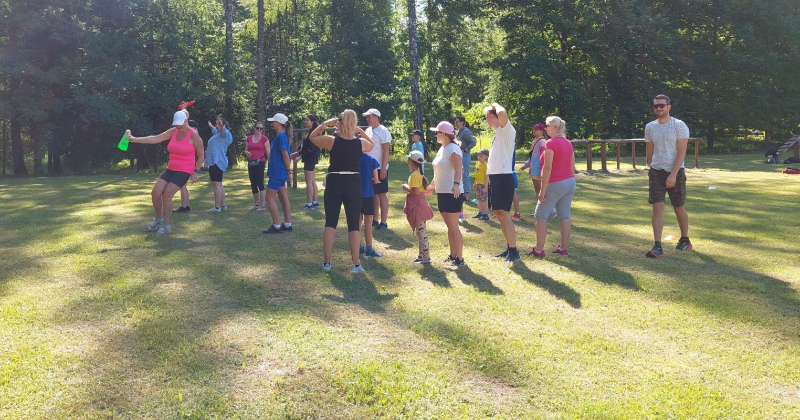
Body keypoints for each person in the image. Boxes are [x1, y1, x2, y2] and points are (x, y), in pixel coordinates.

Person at [308, 110, 375, 273]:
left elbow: (312, 137)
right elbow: (371, 145)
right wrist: (359, 131)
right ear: (354, 123)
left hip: (334, 181)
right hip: (352, 182)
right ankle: (356, 264)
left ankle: (327, 263)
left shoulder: (332, 141)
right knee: (354, 225)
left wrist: (325, 124)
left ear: (339, 122)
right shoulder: (360, 143)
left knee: (331, 223)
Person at [125, 110, 204, 235]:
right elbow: (155, 139)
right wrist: (133, 139)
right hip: (171, 167)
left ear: (186, 121)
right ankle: (158, 220)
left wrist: (196, 172)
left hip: (185, 169)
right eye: (176, 124)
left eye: (180, 124)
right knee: (155, 192)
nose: (178, 126)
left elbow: (201, 155)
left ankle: (166, 226)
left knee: (167, 195)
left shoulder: (194, 135)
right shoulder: (173, 131)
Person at [645, 94, 692, 257]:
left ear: (668, 107)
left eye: (661, 106)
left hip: (676, 171)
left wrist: (672, 174)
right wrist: (651, 164)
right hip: (656, 171)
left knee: (678, 206)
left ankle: (685, 240)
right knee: (657, 207)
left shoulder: (679, 125)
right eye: (655, 106)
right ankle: (657, 245)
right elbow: (649, 149)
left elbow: (682, 152)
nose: (658, 108)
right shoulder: (650, 127)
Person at [528, 116, 576, 258]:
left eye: (547, 125)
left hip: (555, 183)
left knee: (540, 215)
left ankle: (539, 249)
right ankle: (564, 248)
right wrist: (570, 180)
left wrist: (542, 190)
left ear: (554, 128)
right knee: (564, 215)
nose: (545, 128)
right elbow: (572, 166)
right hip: (569, 182)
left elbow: (547, 168)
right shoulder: (568, 143)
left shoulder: (550, 143)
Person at [425, 121, 466, 267]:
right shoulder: (443, 148)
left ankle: (459, 258)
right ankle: (453, 254)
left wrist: (456, 184)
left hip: (452, 192)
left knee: (453, 226)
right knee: (449, 226)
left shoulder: (453, 149)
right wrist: (432, 185)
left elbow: (458, 168)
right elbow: (439, 171)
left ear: (444, 134)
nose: (435, 134)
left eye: (437, 132)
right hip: (442, 192)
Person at [485, 102, 520, 262]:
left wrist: (495, 104)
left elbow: (503, 113)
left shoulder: (507, 130)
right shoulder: (496, 134)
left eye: (487, 117)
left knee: (505, 214)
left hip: (504, 177)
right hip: (495, 177)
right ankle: (508, 247)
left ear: (493, 116)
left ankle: (514, 251)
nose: (486, 121)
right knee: (498, 214)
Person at [262, 113, 293, 234]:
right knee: (283, 197)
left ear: (279, 123)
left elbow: (285, 154)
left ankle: (276, 225)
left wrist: (288, 170)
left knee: (269, 198)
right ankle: (287, 224)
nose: (272, 123)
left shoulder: (281, 137)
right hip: (279, 172)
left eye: (274, 121)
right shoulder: (282, 136)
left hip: (277, 172)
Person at [402, 150, 433, 264]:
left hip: (418, 206)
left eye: (408, 159)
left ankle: (426, 257)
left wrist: (406, 187)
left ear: (411, 161)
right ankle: (421, 255)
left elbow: (415, 192)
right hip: (420, 205)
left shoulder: (414, 175)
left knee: (422, 233)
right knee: (421, 232)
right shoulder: (418, 173)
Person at [363, 108, 392, 230]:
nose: (367, 119)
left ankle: (383, 222)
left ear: (376, 117)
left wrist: (384, 168)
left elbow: (386, 151)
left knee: (381, 194)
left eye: (369, 116)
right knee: (373, 194)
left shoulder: (383, 131)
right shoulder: (368, 130)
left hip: (380, 168)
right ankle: (374, 219)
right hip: (369, 168)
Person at [292, 114, 321, 209]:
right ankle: (315, 202)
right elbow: (306, 147)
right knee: (312, 181)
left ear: (312, 121)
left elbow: (311, 149)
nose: (305, 121)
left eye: (307, 120)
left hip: (310, 158)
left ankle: (309, 204)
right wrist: (297, 152)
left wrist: (300, 157)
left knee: (308, 182)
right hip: (310, 158)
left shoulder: (313, 133)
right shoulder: (310, 132)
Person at [205, 116, 233, 212]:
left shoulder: (224, 134)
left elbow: (224, 131)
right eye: (216, 124)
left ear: (223, 125)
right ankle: (223, 205)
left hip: (217, 162)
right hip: (215, 162)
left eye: (219, 124)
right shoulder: (217, 133)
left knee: (216, 185)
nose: (217, 125)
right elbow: (214, 129)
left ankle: (217, 207)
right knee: (219, 185)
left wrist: (222, 125)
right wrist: (210, 124)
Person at [359, 153, 384, 258]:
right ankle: (369, 249)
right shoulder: (371, 159)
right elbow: (376, 180)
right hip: (368, 194)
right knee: (368, 222)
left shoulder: (351, 158)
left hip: (354, 194)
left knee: (357, 221)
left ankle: (358, 245)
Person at [244, 121, 269, 211]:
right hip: (251, 163)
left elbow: (268, 152)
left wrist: (270, 163)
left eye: (261, 128)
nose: (259, 130)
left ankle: (263, 205)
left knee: (260, 183)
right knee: (253, 183)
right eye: (257, 128)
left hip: (260, 162)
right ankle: (256, 204)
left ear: (262, 130)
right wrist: (246, 152)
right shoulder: (249, 138)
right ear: (254, 128)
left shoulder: (264, 139)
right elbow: (246, 150)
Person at [176, 118, 199, 213]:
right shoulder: (195, 135)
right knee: (183, 185)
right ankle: (186, 205)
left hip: (187, 163)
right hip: (190, 163)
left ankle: (184, 206)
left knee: (182, 185)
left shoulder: (192, 135)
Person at [472, 148, 489, 220]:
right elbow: (477, 174)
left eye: (481, 156)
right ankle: (480, 213)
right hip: (478, 184)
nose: (479, 158)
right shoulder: (477, 164)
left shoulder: (485, 165)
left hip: (483, 185)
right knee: (479, 199)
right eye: (478, 156)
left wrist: (485, 187)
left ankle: (486, 214)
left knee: (484, 200)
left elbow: (487, 176)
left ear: (486, 157)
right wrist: (475, 183)